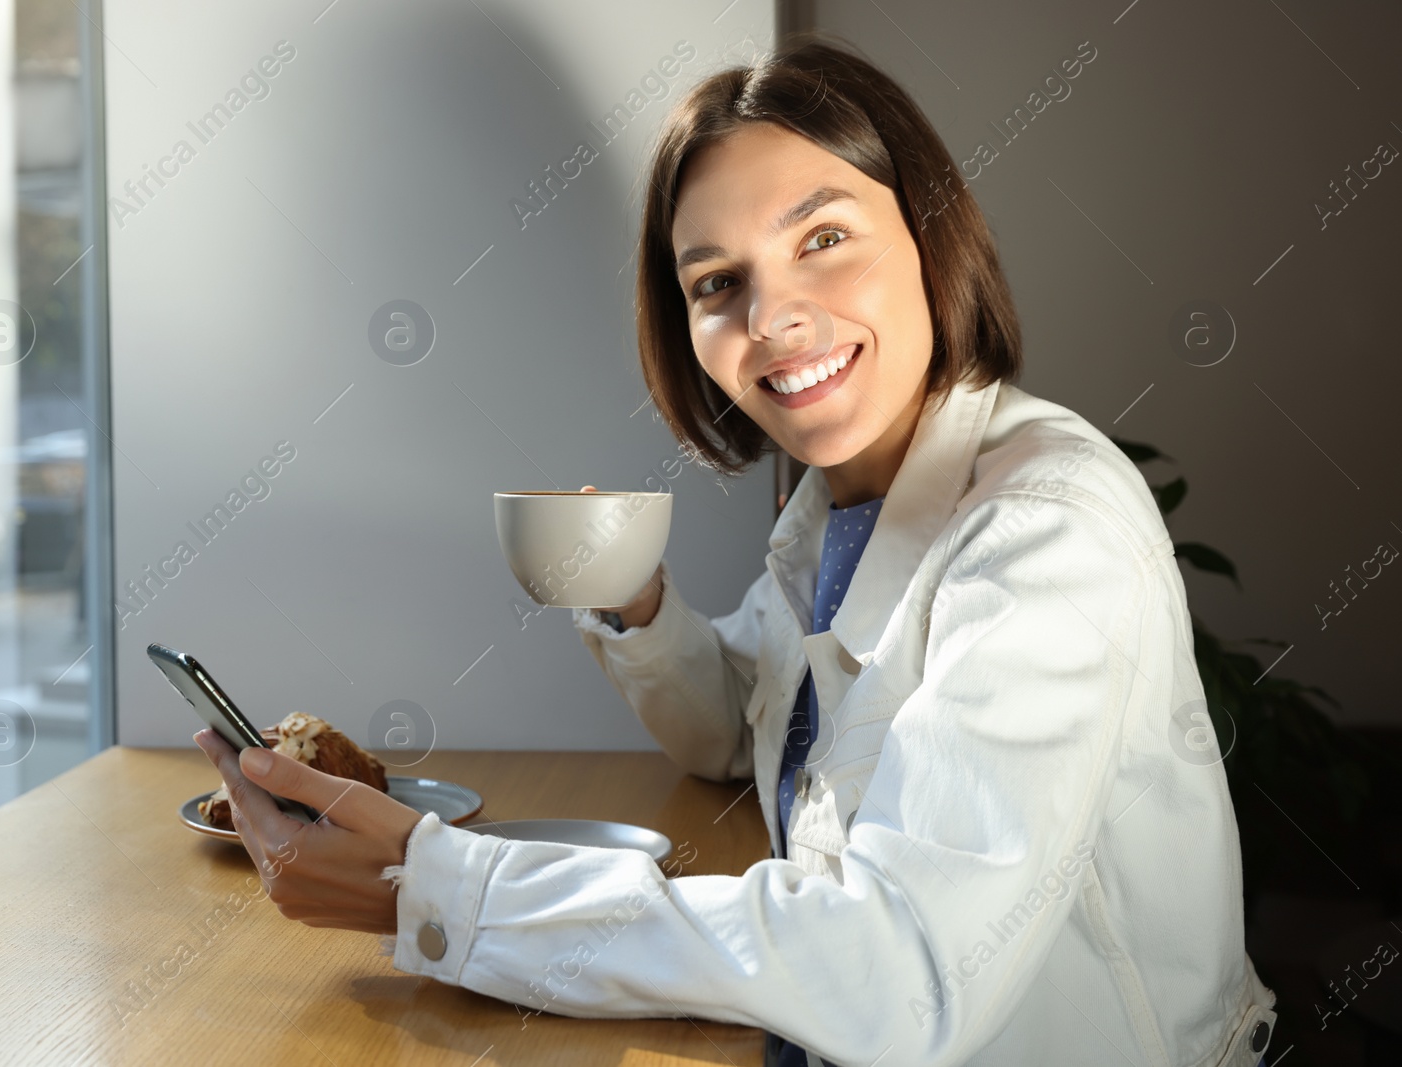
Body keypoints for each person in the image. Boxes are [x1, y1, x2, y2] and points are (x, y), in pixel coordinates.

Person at [195, 34, 1278, 1067]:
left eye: (822, 238)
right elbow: (744, 725)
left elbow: (907, 972)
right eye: (717, 282)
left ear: (931, 233)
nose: (773, 315)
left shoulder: (1047, 529)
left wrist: (429, 885)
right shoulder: (835, 508)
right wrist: (633, 603)